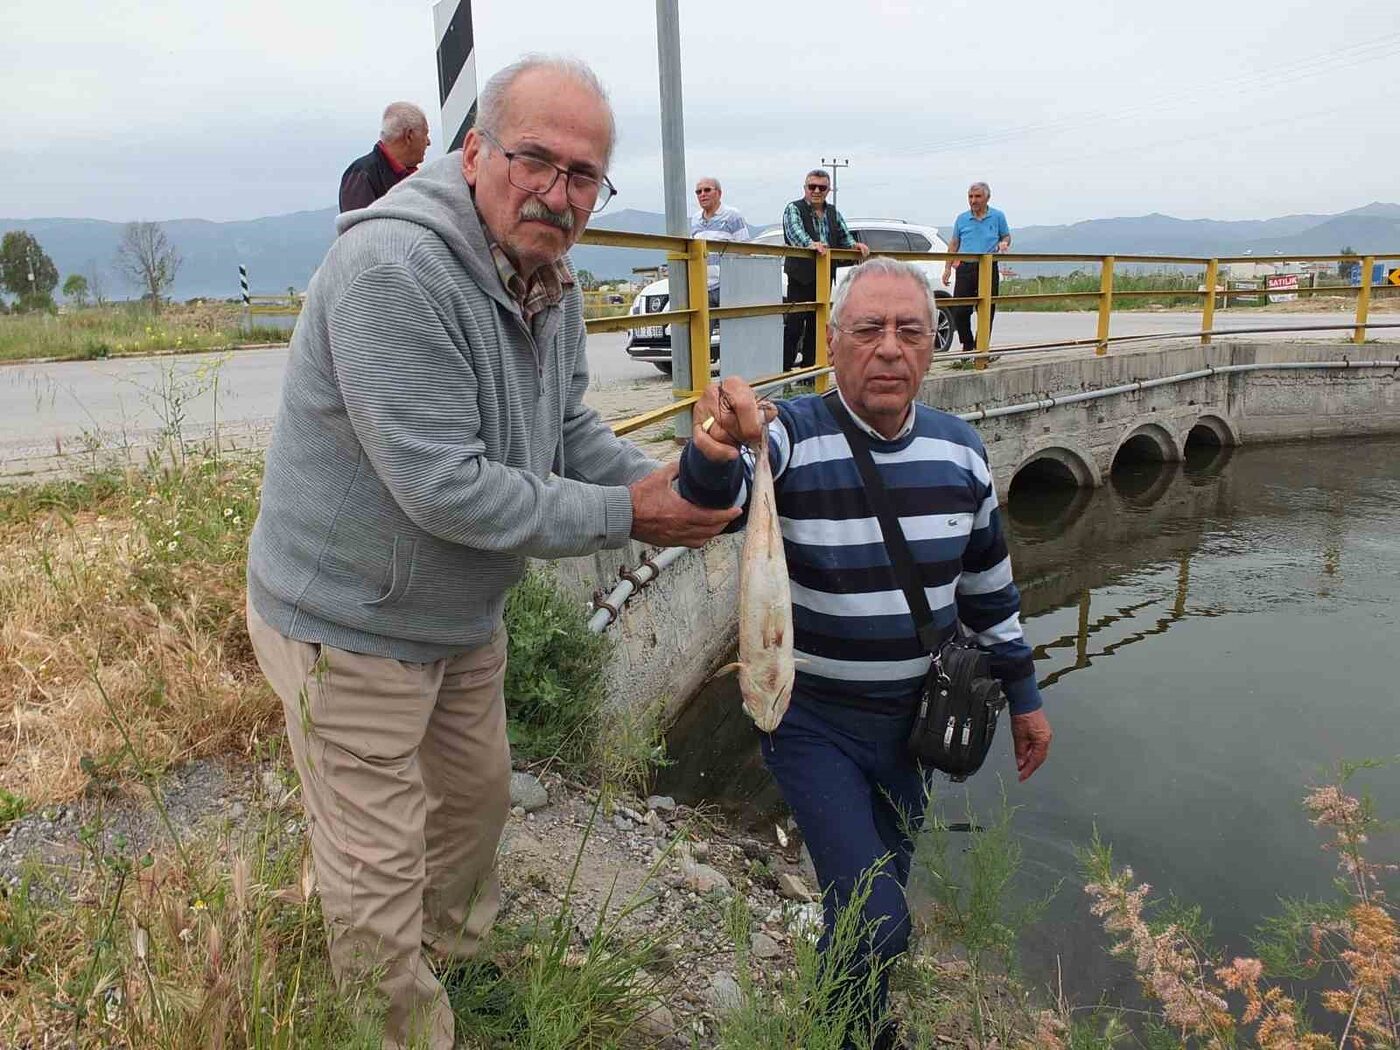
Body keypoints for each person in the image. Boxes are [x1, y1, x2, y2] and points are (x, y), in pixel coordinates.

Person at [247, 56, 738, 1050]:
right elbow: (444, 488)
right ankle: (401, 1026)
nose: (556, 194)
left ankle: (458, 963)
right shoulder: (394, 271)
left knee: (470, 811)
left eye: (581, 177)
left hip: (459, 616)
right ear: (473, 152)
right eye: (533, 161)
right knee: (374, 872)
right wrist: (627, 517)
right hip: (350, 624)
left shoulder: (546, 276)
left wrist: (680, 476)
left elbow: (563, 429)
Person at [681, 257, 1052, 1049]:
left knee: (871, 896)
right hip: (811, 724)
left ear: (933, 345)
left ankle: (851, 1026)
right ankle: (848, 1024)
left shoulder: (961, 452)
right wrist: (719, 439)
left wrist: (1026, 698)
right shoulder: (792, 438)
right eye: (869, 330)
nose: (890, 349)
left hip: (911, 730)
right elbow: (719, 499)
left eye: (910, 331)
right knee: (881, 917)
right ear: (836, 342)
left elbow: (988, 593)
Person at [781, 169, 869, 371]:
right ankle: (784, 373)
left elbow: (843, 235)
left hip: (824, 275)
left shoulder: (832, 212)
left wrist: (855, 246)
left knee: (817, 326)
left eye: (822, 187)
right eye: (812, 186)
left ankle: (810, 373)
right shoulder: (793, 209)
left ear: (828, 190)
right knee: (795, 325)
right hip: (800, 276)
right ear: (805, 188)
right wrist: (810, 244)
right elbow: (795, 234)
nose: (816, 191)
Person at [941, 181, 1012, 352]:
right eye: (970, 197)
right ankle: (967, 343)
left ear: (987, 197)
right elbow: (954, 243)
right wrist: (947, 267)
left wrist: (1004, 243)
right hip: (966, 267)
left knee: (987, 310)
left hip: (987, 268)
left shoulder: (998, 216)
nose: (973, 200)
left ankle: (982, 348)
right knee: (959, 310)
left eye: (978, 196)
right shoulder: (962, 218)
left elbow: (1006, 236)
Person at [338, 102, 432, 213]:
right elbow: (361, 228)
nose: (428, 142)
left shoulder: (415, 177)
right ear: (409, 136)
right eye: (425, 134)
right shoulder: (362, 175)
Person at [690, 176, 749, 241]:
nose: (702, 194)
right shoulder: (695, 219)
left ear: (719, 193)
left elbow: (745, 247)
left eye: (707, 190)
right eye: (699, 192)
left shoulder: (733, 216)